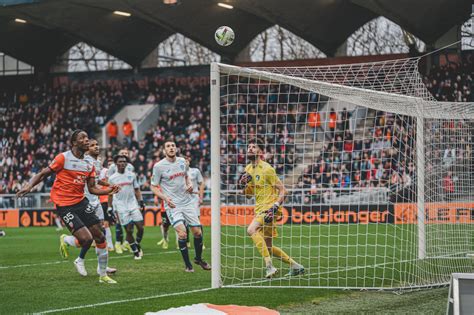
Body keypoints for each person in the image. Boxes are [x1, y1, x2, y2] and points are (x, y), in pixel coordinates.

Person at [16, 130, 120, 284]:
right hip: (64, 205)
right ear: (74, 143)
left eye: (87, 137)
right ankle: (72, 249)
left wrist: (108, 190)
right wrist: (29, 186)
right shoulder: (63, 158)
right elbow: (44, 173)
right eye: (82, 138)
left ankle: (103, 275)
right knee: (86, 239)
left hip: (81, 201)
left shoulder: (89, 163)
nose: (86, 140)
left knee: (100, 235)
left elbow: (91, 188)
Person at [240, 138, 304, 278]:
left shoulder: (267, 169)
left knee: (251, 230)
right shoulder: (248, 169)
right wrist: (243, 186)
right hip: (259, 208)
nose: (250, 149)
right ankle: (295, 266)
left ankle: (269, 266)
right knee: (268, 247)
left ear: (260, 151)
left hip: (270, 209)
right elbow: (249, 195)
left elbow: (283, 191)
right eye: (249, 146)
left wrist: (275, 207)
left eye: (254, 147)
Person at [151, 140, 211, 272]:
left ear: (176, 149)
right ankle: (188, 265)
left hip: (187, 202)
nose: (171, 148)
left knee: (197, 232)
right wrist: (165, 198)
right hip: (173, 205)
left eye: (173, 146)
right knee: (182, 234)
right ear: (164, 150)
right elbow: (153, 187)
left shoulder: (182, 162)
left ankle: (198, 258)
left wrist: (189, 184)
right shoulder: (158, 166)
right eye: (168, 146)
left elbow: (186, 177)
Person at [59, 139, 117, 275]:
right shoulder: (84, 162)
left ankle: (102, 267)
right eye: (92, 145)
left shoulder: (96, 163)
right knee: (88, 237)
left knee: (100, 234)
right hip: (84, 202)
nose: (96, 147)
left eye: (97, 144)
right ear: (87, 149)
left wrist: (108, 185)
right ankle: (70, 245)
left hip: (95, 201)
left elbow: (95, 181)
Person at [108, 155, 146, 260]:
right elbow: (110, 194)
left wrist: (141, 202)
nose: (123, 163)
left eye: (124, 161)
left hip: (132, 204)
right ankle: (135, 252)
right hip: (120, 206)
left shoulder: (132, 175)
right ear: (116, 164)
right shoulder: (112, 178)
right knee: (128, 230)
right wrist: (109, 208)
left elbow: (137, 189)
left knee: (140, 228)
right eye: (120, 161)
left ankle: (137, 243)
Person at [107, 148, 135, 254]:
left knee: (130, 223)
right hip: (117, 199)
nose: (124, 155)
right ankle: (118, 243)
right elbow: (109, 182)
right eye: (122, 154)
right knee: (119, 222)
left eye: (126, 154)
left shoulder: (131, 167)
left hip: (129, 199)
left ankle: (126, 242)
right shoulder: (112, 168)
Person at [185, 157, 206, 249]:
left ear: (189, 162)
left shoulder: (195, 171)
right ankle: (187, 241)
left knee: (197, 220)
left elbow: (201, 183)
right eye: (183, 161)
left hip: (194, 198)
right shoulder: (178, 173)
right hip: (183, 199)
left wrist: (201, 197)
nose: (185, 163)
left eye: (186, 161)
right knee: (185, 222)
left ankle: (201, 242)